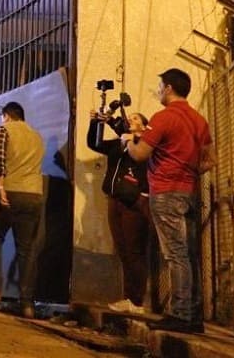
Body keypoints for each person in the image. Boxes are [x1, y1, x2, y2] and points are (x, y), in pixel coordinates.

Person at [126, 68, 214, 334]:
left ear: (168, 89)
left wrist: (128, 141)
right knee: (189, 254)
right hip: (189, 192)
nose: (159, 90)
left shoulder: (163, 118)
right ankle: (194, 314)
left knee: (176, 254)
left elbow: (140, 154)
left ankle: (181, 314)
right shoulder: (199, 121)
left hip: (165, 192)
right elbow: (210, 160)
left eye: (160, 85)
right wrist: (188, 171)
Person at [0, 101, 47, 319]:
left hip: (10, 191)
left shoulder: (4, 130)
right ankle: (27, 303)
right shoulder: (37, 136)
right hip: (34, 195)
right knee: (26, 249)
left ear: (7, 116)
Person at [87, 109, 151, 315]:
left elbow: (143, 154)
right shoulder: (119, 144)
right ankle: (128, 297)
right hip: (115, 200)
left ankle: (137, 300)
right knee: (123, 250)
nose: (130, 120)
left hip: (133, 202)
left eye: (135, 118)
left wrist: (131, 137)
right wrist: (95, 122)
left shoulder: (143, 144)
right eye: (129, 117)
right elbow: (94, 143)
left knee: (134, 250)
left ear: (143, 125)